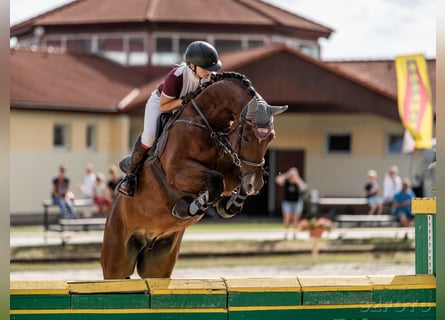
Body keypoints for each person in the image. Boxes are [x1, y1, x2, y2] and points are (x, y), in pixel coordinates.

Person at [117, 40, 222, 197]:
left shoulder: (211, 78)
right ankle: (130, 177)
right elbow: (165, 106)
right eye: (206, 68)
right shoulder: (176, 76)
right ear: (192, 66)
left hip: (187, 110)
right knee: (150, 136)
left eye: (211, 68)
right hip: (161, 104)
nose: (210, 71)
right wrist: (184, 100)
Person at [275, 167, 307, 239]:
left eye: (294, 175)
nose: (292, 176)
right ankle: (286, 234)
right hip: (287, 202)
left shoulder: (298, 182)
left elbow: (304, 188)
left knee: (295, 219)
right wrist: (287, 175)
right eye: (291, 175)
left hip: (297, 203)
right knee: (287, 218)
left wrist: (297, 179)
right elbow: (278, 180)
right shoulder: (286, 181)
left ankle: (294, 235)